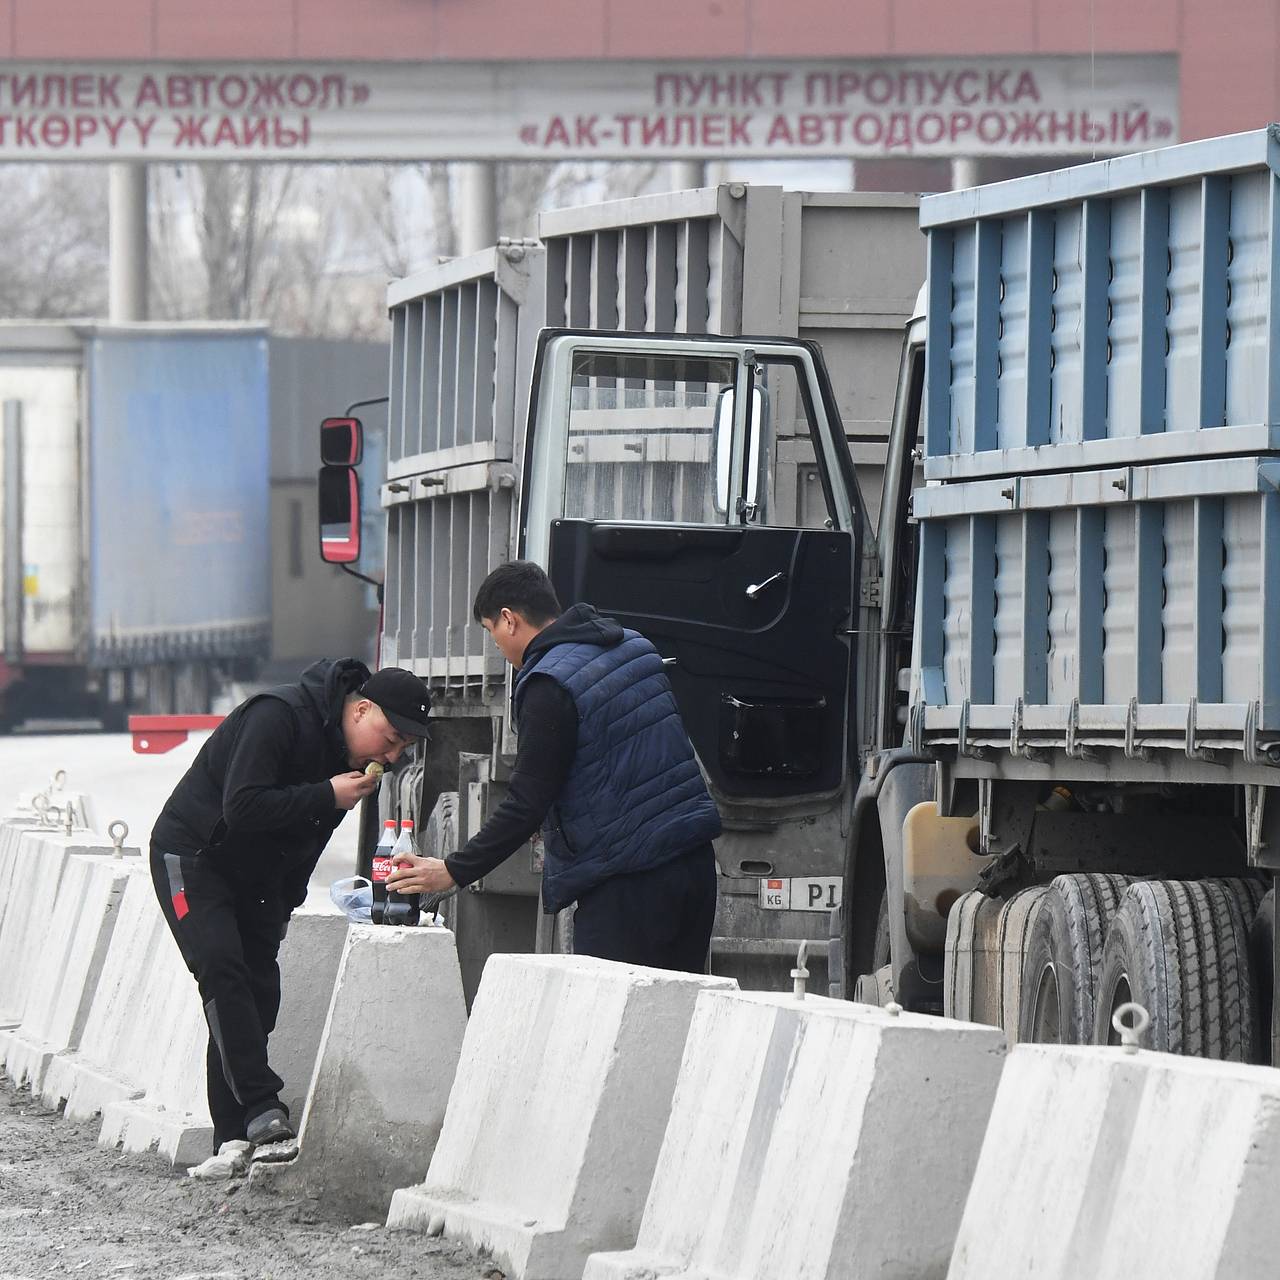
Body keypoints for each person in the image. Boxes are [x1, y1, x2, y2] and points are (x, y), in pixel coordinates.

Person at [149, 659, 432, 1154]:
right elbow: (242, 806)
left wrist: (283, 906)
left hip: (257, 876)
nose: (390, 755)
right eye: (389, 739)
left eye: (402, 749)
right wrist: (327, 793)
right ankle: (261, 1107)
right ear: (362, 709)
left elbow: (307, 840)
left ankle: (233, 1140)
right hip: (193, 855)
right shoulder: (277, 715)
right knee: (221, 967)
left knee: (259, 994)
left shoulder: (349, 760)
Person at [387, 561, 721, 971]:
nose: (500, 650)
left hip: (628, 884)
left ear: (509, 620)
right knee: (679, 1019)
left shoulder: (549, 684)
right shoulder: (635, 648)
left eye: (492, 634)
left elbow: (528, 801)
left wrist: (454, 870)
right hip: (694, 866)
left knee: (610, 1022)